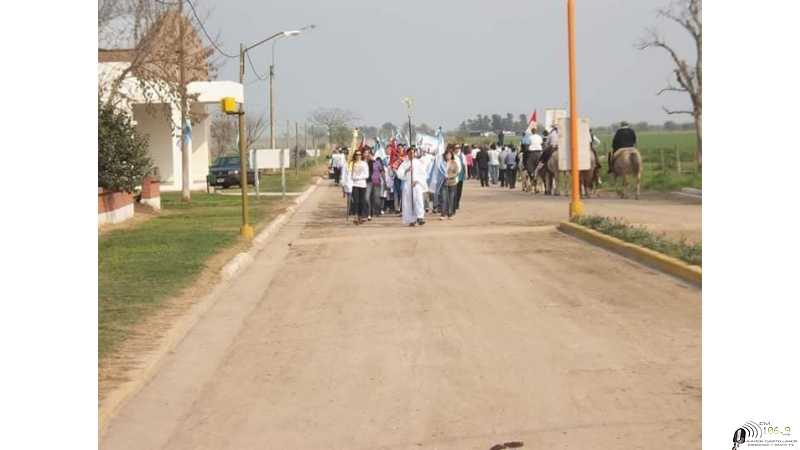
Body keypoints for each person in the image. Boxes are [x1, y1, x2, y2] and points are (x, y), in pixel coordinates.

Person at [396, 147, 427, 226]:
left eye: (413, 153)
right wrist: (406, 170)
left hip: (416, 184)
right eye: (410, 153)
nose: (412, 154)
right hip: (407, 184)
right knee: (409, 202)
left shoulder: (418, 162)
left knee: (418, 200)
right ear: (408, 154)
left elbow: (423, 174)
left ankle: (420, 217)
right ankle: (411, 219)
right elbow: (399, 173)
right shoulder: (404, 163)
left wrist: (417, 180)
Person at [350, 150, 369, 225]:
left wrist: (358, 177)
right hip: (355, 185)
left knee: (362, 201)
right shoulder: (352, 164)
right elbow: (351, 175)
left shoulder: (364, 163)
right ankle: (355, 216)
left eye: (360, 154)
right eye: (357, 154)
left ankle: (361, 216)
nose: (358, 156)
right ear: (355, 155)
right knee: (356, 201)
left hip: (362, 184)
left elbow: (366, 175)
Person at [440, 149, 460, 220]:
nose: (448, 156)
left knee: (451, 199)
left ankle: (450, 214)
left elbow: (456, 172)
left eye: (449, 155)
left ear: (451, 156)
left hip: (452, 183)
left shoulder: (454, 163)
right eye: (447, 155)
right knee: (444, 198)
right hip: (444, 183)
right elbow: (439, 172)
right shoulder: (442, 163)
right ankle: (443, 213)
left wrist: (450, 176)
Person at [365, 149, 384, 220]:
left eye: (370, 155)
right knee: (367, 198)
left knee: (376, 199)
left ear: (373, 155)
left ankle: (374, 211)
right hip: (368, 182)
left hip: (377, 183)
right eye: (368, 155)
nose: (369, 156)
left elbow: (382, 172)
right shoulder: (365, 163)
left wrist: (384, 182)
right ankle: (368, 213)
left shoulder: (377, 162)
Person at [453, 145, 467, 210]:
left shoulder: (462, 155)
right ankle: (453, 203)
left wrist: (466, 173)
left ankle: (457, 202)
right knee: (454, 190)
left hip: (460, 175)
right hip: (453, 176)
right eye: (456, 148)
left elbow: (465, 165)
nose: (457, 149)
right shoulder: (452, 155)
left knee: (459, 190)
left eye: (458, 148)